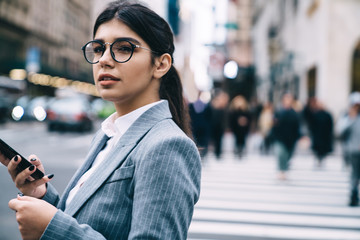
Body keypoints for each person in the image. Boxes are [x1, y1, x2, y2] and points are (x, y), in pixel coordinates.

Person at [0, 1, 201, 239]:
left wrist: (50, 228)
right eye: (98, 49)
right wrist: (42, 195)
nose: (104, 59)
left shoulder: (167, 145)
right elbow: (86, 221)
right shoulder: (108, 134)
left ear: (161, 64)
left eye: (124, 48)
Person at [336, 92, 360, 206]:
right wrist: (351, 118)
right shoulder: (347, 116)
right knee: (355, 173)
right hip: (353, 150)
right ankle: (353, 193)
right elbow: (339, 131)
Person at [271, 93, 301, 180]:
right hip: (279, 138)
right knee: (281, 154)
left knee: (288, 155)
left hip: (290, 138)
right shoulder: (279, 112)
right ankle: (281, 170)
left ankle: (284, 168)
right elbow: (274, 124)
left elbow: (297, 126)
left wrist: (299, 136)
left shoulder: (294, 113)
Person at [188, 91, 212, 158]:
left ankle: (200, 154)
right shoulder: (206, 106)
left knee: (198, 141)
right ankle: (202, 154)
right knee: (201, 141)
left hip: (196, 126)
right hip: (201, 127)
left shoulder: (192, 105)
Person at [210, 90, 229, 159]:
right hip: (215, 125)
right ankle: (216, 152)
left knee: (219, 140)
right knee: (216, 140)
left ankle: (218, 153)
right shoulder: (214, 105)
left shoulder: (223, 107)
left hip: (220, 126)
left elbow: (224, 118)